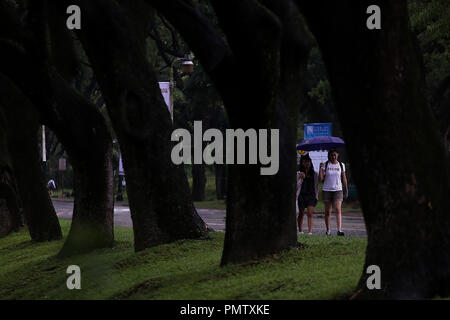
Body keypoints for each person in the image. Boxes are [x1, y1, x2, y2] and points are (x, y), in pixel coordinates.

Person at [319, 149, 348, 236]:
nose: (333, 156)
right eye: (332, 155)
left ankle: (339, 230)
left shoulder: (341, 165)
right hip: (327, 190)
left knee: (338, 209)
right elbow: (321, 179)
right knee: (328, 211)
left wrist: (346, 190)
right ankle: (328, 230)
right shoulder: (326, 164)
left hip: (338, 190)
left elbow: (344, 178)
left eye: (335, 155)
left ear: (337, 155)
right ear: (329, 156)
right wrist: (320, 168)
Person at [296, 154, 319, 235]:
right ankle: (300, 231)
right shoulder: (298, 174)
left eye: (308, 162)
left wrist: (316, 196)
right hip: (301, 195)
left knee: (310, 213)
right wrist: (301, 179)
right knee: (301, 213)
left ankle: (310, 231)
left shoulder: (315, 174)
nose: (307, 163)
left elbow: (316, 186)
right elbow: (296, 186)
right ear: (302, 163)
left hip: (311, 195)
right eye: (305, 162)